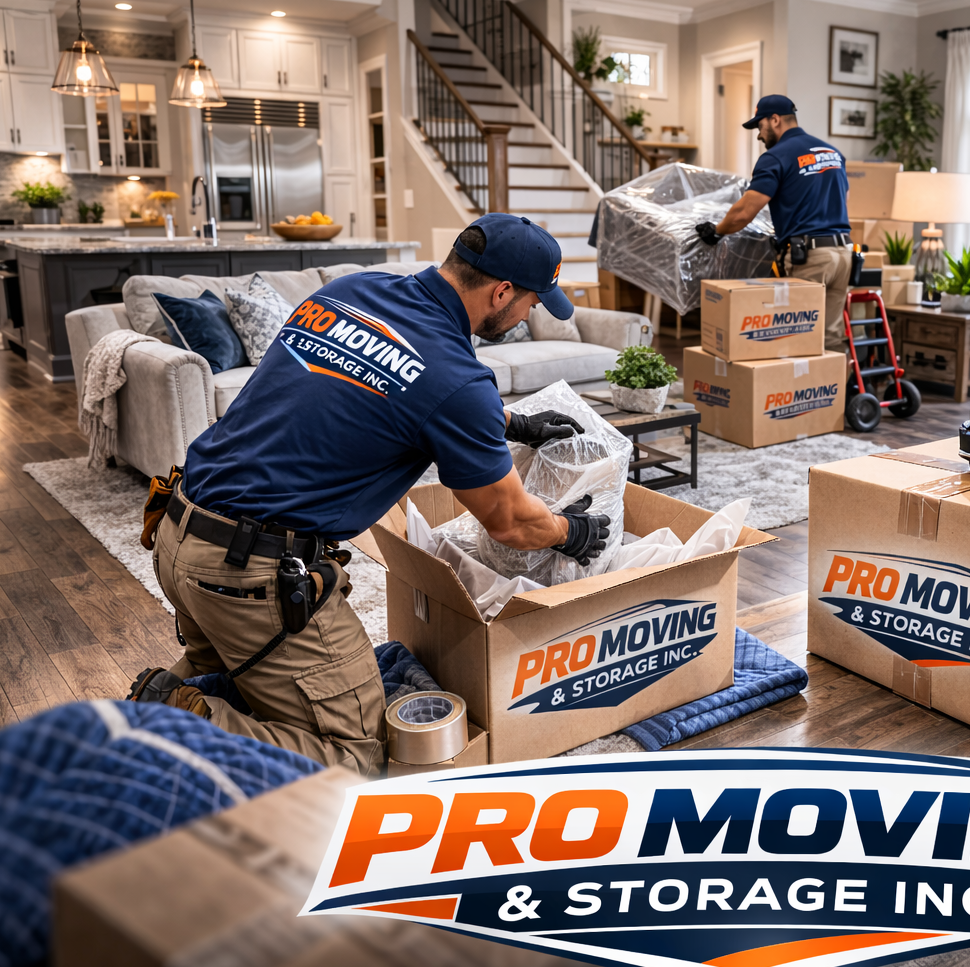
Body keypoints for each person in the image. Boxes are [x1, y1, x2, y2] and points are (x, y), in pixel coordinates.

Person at [126, 214, 612, 775]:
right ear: (501, 291)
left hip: (178, 530)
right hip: (248, 575)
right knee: (354, 756)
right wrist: (569, 532)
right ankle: (177, 719)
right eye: (531, 301)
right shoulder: (457, 379)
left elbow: (368, 388)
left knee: (230, 672)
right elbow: (510, 522)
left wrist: (511, 424)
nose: (530, 313)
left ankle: (147, 733)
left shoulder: (352, 291)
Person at [695, 94, 854, 356]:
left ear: (775, 120)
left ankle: (796, 392)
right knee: (830, 336)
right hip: (843, 254)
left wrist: (717, 231)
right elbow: (844, 199)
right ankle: (838, 394)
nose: (759, 135)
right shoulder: (832, 153)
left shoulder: (776, 157)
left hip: (811, 258)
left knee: (800, 335)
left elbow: (745, 211)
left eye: (760, 127)